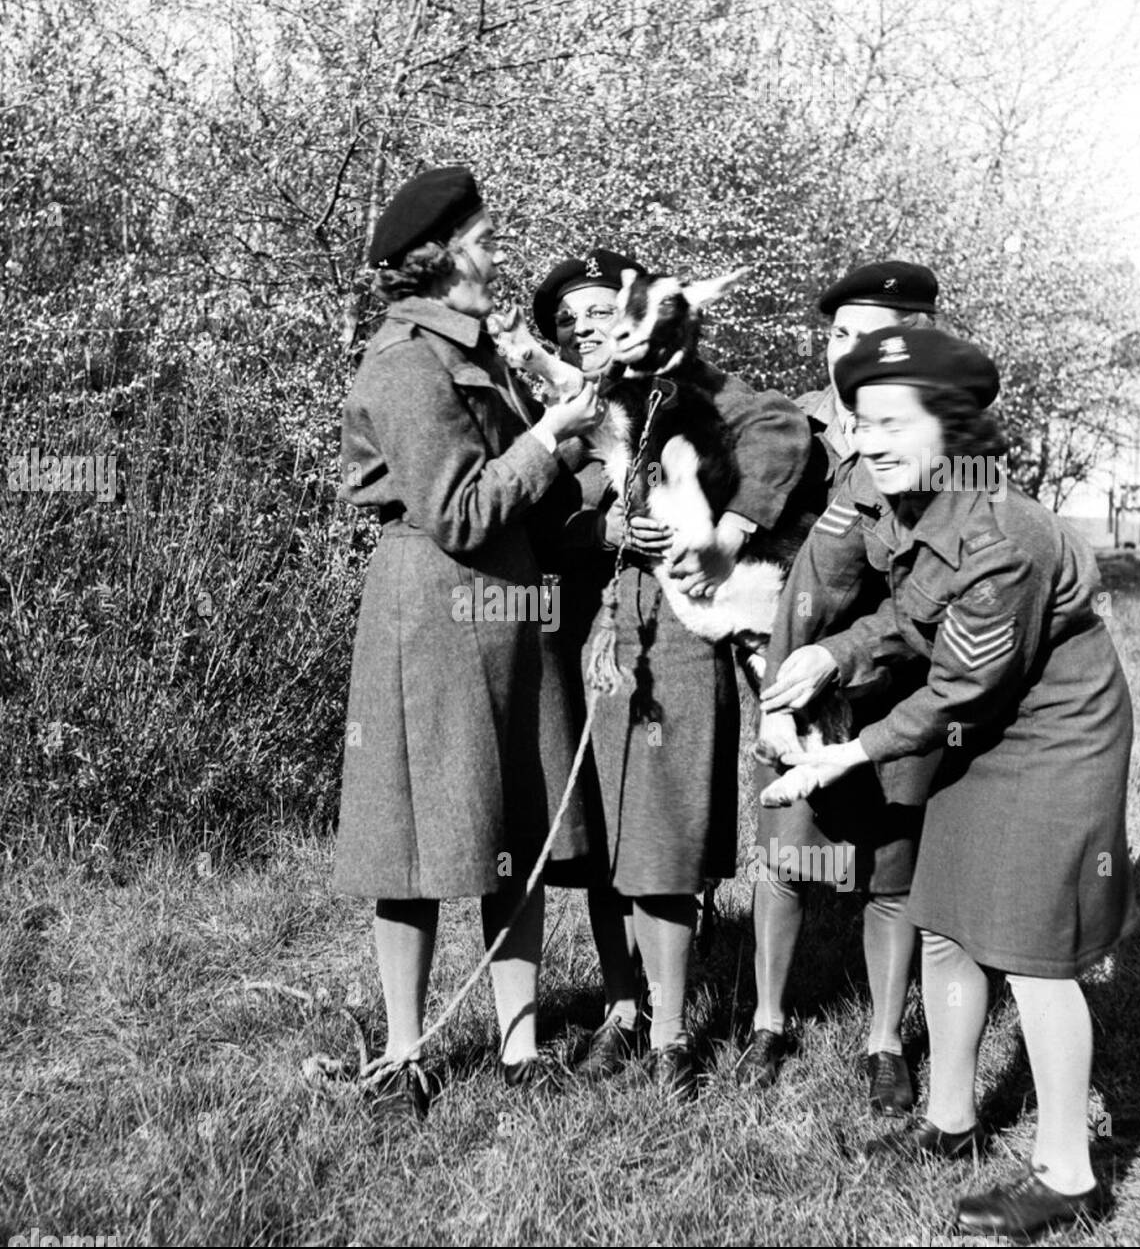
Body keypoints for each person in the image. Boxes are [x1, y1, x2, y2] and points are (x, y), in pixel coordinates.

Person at [765, 326, 1136, 1239]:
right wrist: (828, 654)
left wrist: (846, 754)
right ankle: (951, 1120)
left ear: (956, 426)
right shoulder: (917, 506)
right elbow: (905, 616)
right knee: (945, 923)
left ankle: (1067, 1172)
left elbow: (961, 684)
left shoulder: (1005, 532)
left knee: (1034, 952)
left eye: (895, 421)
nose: (869, 440)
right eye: (861, 421)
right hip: (980, 728)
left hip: (1052, 738)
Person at [334, 167, 601, 1118]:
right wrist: (549, 441)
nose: (497, 255)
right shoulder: (407, 363)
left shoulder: (476, 350)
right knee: (414, 841)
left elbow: (522, 492)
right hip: (437, 617)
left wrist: (584, 447)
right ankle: (405, 1054)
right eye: (484, 240)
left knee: (513, 827)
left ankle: (522, 1050)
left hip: (509, 615)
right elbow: (459, 508)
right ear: (439, 259)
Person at [531, 248, 813, 1098]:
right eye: (569, 322)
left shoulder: (684, 387)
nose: (587, 331)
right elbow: (525, 515)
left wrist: (725, 529)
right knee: (600, 834)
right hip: (584, 637)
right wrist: (601, 533)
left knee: (663, 831)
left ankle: (671, 1031)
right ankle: (621, 1007)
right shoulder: (551, 407)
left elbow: (782, 430)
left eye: (600, 315)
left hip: (680, 640)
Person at [738, 261, 941, 1112]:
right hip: (788, 676)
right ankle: (768, 1021)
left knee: (890, 866)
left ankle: (885, 1040)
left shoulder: (939, 435)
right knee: (787, 851)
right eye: (836, 336)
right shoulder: (798, 431)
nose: (844, 352)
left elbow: (943, 582)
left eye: (868, 336)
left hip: (895, 678)